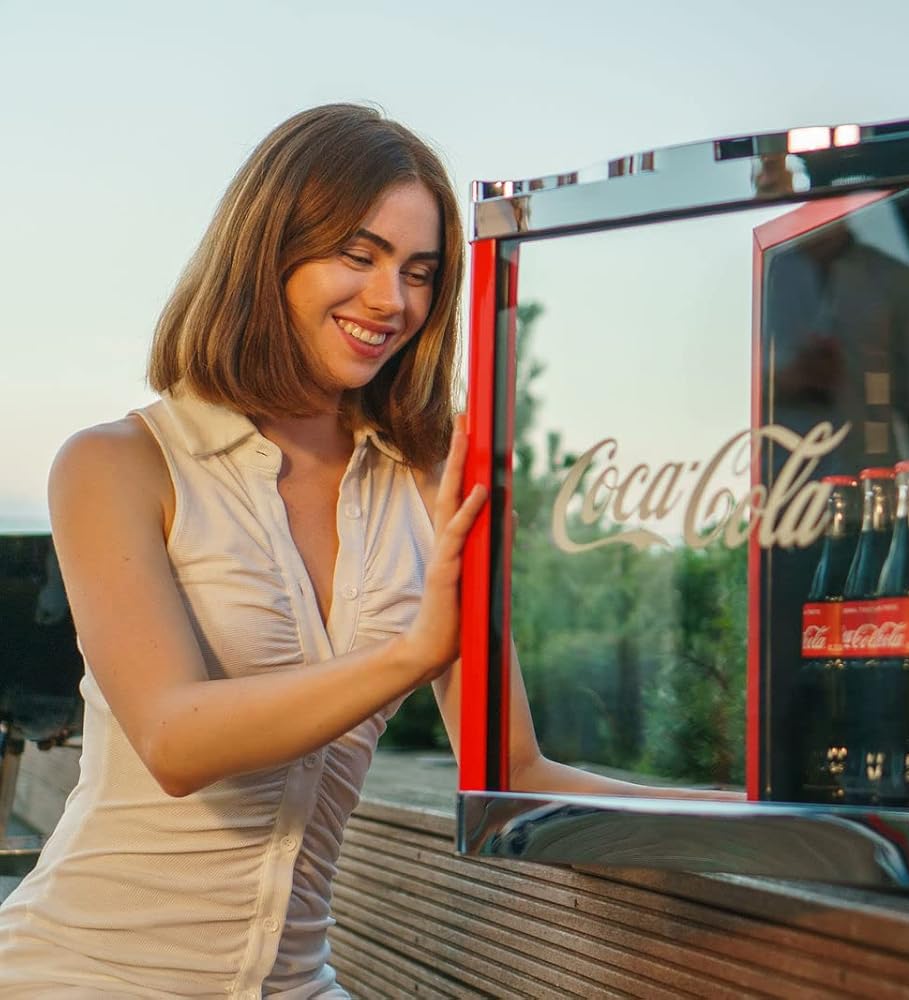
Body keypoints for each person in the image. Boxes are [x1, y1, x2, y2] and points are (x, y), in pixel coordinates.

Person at [0, 104, 686, 999]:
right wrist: (407, 653)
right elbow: (174, 739)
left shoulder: (432, 476)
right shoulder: (118, 465)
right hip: (82, 973)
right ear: (268, 251)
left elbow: (513, 770)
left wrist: (794, 818)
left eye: (419, 271)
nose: (390, 300)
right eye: (356, 255)